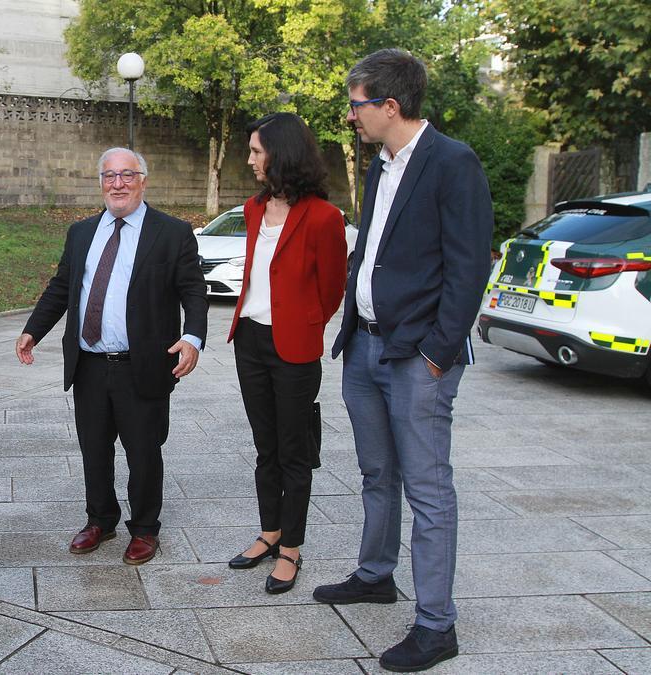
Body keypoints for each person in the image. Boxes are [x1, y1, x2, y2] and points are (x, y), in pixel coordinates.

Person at [312, 48, 493, 672]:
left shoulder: (452, 163)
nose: (350, 114)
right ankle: (375, 574)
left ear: (390, 105)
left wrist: (440, 352)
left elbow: (469, 267)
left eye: (357, 103)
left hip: (418, 355)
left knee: (428, 488)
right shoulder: (378, 163)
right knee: (375, 474)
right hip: (364, 345)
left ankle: (437, 625)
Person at [16, 147, 207, 565]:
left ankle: (144, 529)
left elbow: (194, 289)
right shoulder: (82, 232)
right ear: (100, 182)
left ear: (143, 179)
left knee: (143, 450)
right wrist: (33, 330)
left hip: (143, 365)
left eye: (127, 175)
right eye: (109, 176)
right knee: (94, 448)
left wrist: (193, 337)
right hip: (89, 364)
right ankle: (100, 519)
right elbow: (62, 287)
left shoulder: (172, 232)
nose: (117, 184)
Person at [224, 113, 347, 594]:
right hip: (250, 340)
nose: (250, 159)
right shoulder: (253, 209)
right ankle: (269, 532)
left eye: (256, 151)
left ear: (282, 154)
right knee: (265, 448)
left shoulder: (323, 216)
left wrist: (302, 324)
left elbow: (333, 288)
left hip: (294, 347)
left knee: (295, 453)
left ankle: (291, 548)